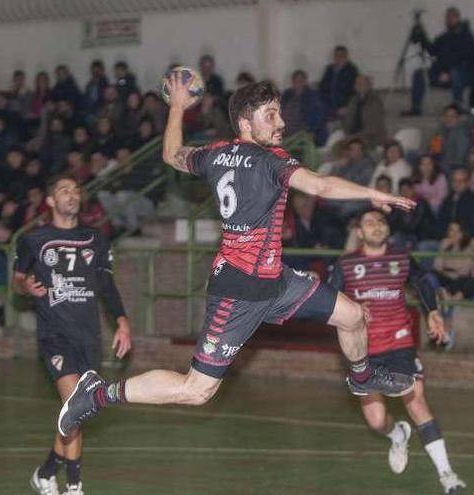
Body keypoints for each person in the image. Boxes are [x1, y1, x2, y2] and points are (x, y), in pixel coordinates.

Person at [56, 77, 418, 448]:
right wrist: (373, 193)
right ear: (246, 124)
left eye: (279, 113)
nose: (280, 124)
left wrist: (178, 107)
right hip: (239, 292)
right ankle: (97, 394)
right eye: (271, 115)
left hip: (275, 280)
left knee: (353, 316)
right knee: (196, 391)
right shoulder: (271, 160)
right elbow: (321, 186)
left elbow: (171, 154)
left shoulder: (213, 154)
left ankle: (361, 377)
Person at [329, 209, 467, 494]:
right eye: (369, 222)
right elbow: (330, 300)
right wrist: (352, 311)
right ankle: (398, 434)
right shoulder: (346, 264)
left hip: (399, 344)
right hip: (364, 352)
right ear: (359, 232)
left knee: (416, 403)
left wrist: (432, 313)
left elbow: (424, 283)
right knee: (377, 420)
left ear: (387, 230)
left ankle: (448, 476)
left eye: (381, 222)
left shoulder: (401, 258)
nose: (376, 226)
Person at [14, 173, 133, 495]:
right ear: (50, 201)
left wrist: (122, 321)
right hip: (55, 334)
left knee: (76, 411)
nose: (72, 195)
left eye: (76, 190)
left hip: (88, 336)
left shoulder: (96, 238)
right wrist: (25, 286)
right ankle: (75, 486)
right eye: (63, 190)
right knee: (75, 403)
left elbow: (106, 283)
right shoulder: (34, 239)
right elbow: (17, 278)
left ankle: (47, 471)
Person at [408, 6, 474, 114]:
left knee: (456, 73)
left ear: (457, 18)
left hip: (463, 74)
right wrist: (422, 35)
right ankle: (416, 108)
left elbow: (470, 59)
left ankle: (457, 105)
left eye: (451, 17)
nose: (449, 20)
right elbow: (432, 51)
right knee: (419, 74)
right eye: (447, 17)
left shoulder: (467, 36)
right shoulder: (444, 37)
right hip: (441, 73)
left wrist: (449, 73)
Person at [280, 70, 328, 145]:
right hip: (284, 132)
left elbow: (318, 118)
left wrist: (310, 131)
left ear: (305, 81)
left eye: (300, 80)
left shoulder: (312, 96)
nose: (298, 83)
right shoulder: (287, 94)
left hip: (302, 133)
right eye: (295, 80)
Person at [341, 75, 386, 149]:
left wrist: (355, 137)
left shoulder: (375, 102)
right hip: (354, 137)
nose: (359, 86)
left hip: (371, 139)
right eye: (357, 84)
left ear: (369, 86)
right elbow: (348, 121)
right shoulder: (354, 100)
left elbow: (372, 128)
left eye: (362, 84)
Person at [319, 45, 359, 113]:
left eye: (341, 55)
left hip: (343, 105)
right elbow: (322, 87)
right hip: (328, 104)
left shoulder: (351, 70)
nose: (339, 57)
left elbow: (355, 91)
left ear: (346, 56)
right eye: (336, 55)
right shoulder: (329, 69)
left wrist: (347, 106)